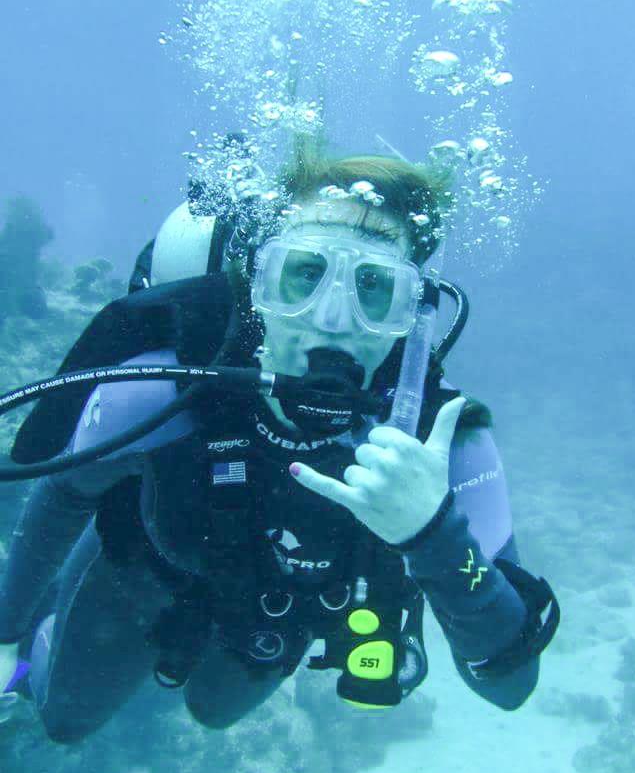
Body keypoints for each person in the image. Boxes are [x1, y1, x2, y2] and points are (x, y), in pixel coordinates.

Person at [0, 146, 558, 742]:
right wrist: (5, 636)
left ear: (410, 312)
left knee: (213, 713)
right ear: (258, 284)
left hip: (272, 622)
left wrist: (433, 533)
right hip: (140, 576)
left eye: (373, 286)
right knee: (64, 720)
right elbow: (64, 496)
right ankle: (41, 641)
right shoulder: (165, 390)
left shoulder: (440, 441)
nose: (333, 319)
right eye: (304, 274)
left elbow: (508, 686)